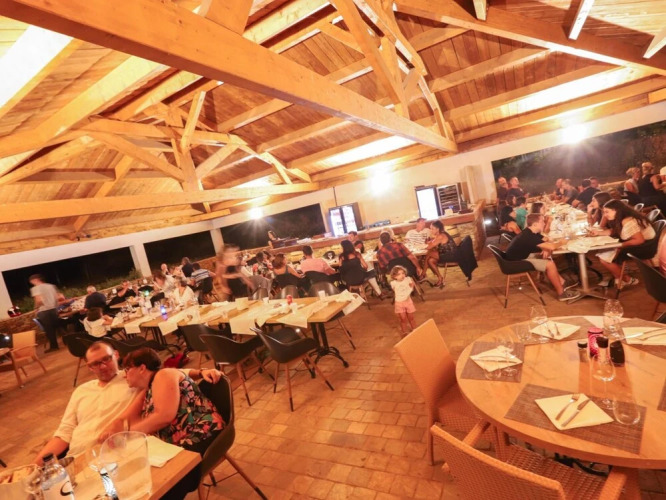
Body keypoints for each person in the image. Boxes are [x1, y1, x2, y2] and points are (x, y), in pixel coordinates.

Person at [33, 341, 221, 465]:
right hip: (76, 455)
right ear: (89, 367)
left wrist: (200, 371)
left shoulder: (133, 379)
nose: (103, 366)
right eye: (96, 364)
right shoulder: (81, 391)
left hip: (112, 455)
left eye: (107, 359)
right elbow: (64, 432)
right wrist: (36, 464)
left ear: (116, 355)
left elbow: (167, 375)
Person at [99, 348, 225, 499]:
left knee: (160, 489)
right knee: (138, 479)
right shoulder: (148, 389)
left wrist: (126, 437)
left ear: (142, 368)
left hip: (201, 437)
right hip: (177, 445)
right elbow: (124, 418)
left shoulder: (163, 375)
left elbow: (164, 416)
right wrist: (111, 429)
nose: (125, 375)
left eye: (127, 369)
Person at [505, 214, 581, 301]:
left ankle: (562, 282)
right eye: (542, 222)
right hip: (514, 263)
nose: (544, 223)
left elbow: (546, 239)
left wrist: (545, 248)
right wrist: (562, 242)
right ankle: (561, 294)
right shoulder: (528, 236)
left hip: (519, 257)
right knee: (550, 265)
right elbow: (552, 246)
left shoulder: (531, 232)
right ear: (535, 224)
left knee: (546, 256)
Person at [590, 199, 656, 289]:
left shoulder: (628, 220)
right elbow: (615, 231)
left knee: (604, 258)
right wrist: (598, 233)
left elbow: (639, 240)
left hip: (645, 246)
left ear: (616, 210)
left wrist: (621, 246)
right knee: (605, 253)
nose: (605, 215)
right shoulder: (622, 218)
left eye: (607, 212)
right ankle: (620, 277)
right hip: (639, 243)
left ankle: (627, 279)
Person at [29, 274, 64, 353]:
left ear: (35, 280)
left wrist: (36, 308)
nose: (32, 283)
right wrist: (55, 307)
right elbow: (58, 298)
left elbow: (38, 300)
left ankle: (54, 346)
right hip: (53, 309)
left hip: (44, 311)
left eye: (32, 282)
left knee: (49, 329)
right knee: (58, 326)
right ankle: (67, 340)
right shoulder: (51, 286)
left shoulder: (36, 288)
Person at [424, 220, 457, 288]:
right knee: (430, 260)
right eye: (430, 228)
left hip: (451, 256)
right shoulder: (441, 233)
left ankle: (423, 273)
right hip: (448, 253)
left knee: (429, 253)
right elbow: (433, 242)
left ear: (437, 229)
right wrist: (430, 242)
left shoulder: (440, 236)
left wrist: (425, 245)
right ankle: (440, 278)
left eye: (432, 229)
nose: (430, 230)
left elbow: (429, 247)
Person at [390, 265, 416, 336]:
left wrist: (412, 285)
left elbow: (411, 286)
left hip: (408, 302)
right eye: (399, 274)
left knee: (411, 318)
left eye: (403, 273)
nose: (402, 275)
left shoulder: (408, 279)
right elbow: (397, 291)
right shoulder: (393, 283)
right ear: (394, 276)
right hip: (399, 303)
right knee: (403, 319)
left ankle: (415, 329)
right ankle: (404, 332)